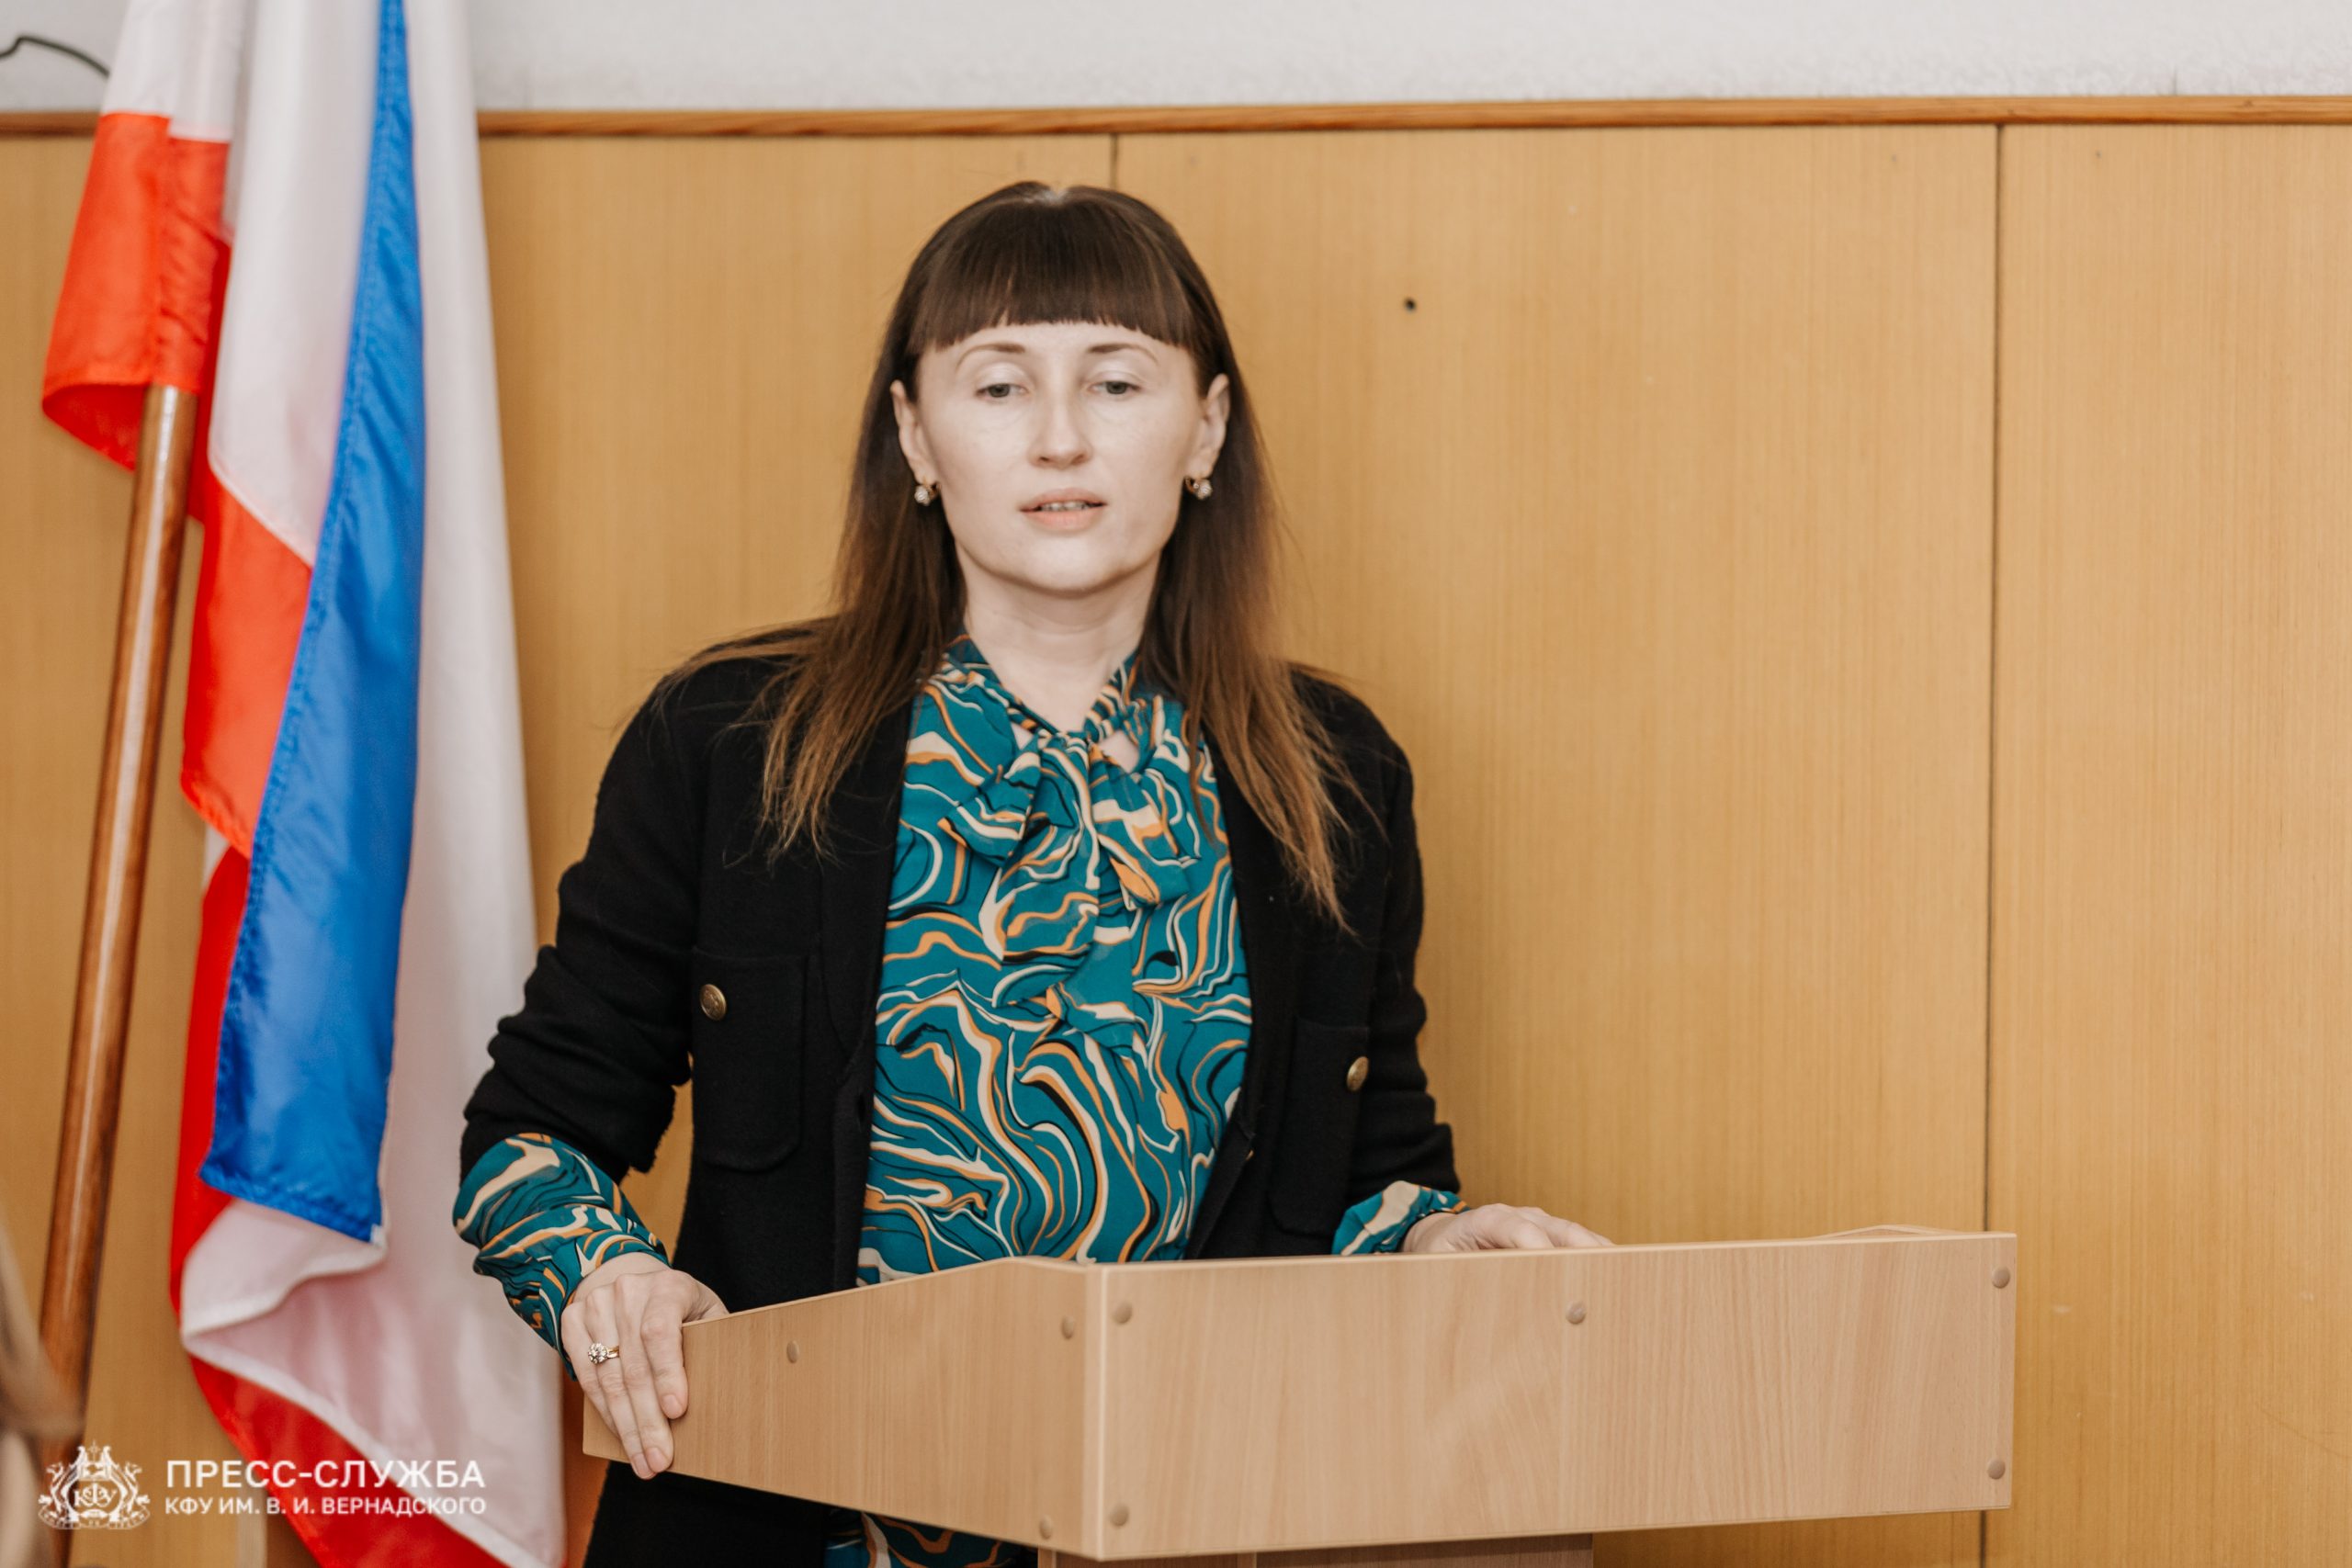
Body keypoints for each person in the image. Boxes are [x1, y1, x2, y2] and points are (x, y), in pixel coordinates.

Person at [452, 180, 1611, 1566]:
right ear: (914, 434)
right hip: (788, 1530)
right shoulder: (733, 741)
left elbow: (1367, 1174)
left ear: (1207, 429)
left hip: (1207, 1524)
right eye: (1000, 385)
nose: (1062, 436)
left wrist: (1436, 1245)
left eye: (1116, 381)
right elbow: (532, 1133)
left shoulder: (1334, 775)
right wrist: (609, 1276)